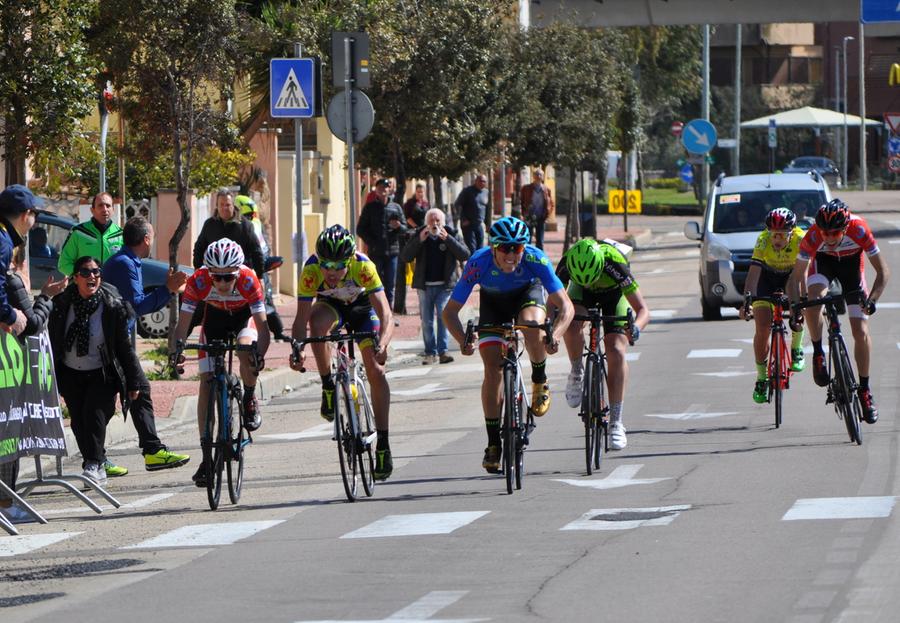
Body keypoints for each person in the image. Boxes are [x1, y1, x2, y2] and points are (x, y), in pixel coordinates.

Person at [442, 216, 573, 473]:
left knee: (532, 325)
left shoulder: (535, 259)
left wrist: (556, 335)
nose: (512, 255)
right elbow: (449, 312)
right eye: (505, 248)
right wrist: (462, 340)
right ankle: (493, 443)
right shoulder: (478, 263)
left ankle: (539, 379)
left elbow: (566, 306)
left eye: (518, 248)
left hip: (527, 295)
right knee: (492, 370)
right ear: (493, 248)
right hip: (494, 304)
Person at [289, 225, 396, 480]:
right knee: (316, 326)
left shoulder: (363, 266)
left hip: (363, 309)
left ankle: (383, 442)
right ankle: (328, 383)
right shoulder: (311, 271)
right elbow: (300, 320)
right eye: (326, 265)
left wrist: (382, 345)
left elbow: (386, 314)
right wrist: (297, 349)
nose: (331, 271)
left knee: (376, 370)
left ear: (349, 260)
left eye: (338, 266)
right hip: (331, 307)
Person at [172, 239, 269, 487]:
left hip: (243, 318)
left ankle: (249, 396)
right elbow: (182, 325)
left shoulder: (249, 280)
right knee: (206, 383)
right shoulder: (198, 281)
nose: (223, 283)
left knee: (245, 349)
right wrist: (176, 351)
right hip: (214, 319)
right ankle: (206, 456)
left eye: (228, 278)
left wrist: (259, 356)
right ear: (209, 273)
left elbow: (263, 329)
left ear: (238, 272)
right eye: (217, 277)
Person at [788, 199, 889, 424]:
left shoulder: (859, 229)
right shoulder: (813, 235)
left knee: (860, 331)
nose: (829, 238)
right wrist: (796, 307)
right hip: (823, 265)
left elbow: (883, 272)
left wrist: (872, 300)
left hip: (852, 268)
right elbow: (796, 277)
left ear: (845, 228)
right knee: (814, 300)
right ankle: (818, 353)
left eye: (834, 233)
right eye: (825, 233)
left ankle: (864, 390)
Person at [102, 216, 191, 472]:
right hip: (112, 342)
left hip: (117, 340)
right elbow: (137, 306)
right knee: (115, 398)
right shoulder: (124, 263)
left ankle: (147, 451)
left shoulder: (129, 261)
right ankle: (102, 458)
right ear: (146, 239)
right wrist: (167, 289)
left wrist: (166, 289)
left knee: (131, 392)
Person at [0, 185, 66, 523]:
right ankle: (5, 503)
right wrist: (10, 315)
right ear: (25, 215)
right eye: (35, 214)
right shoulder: (2, 240)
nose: (35, 221)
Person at [49, 256, 143, 486]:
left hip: (102, 373)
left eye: (96, 272)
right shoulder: (61, 304)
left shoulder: (111, 306)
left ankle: (92, 464)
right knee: (78, 423)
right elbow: (51, 340)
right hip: (71, 373)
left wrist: (134, 381)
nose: (92, 276)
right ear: (75, 278)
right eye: (85, 272)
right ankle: (95, 464)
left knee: (95, 415)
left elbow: (123, 347)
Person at [559, 238, 649, 451]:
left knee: (616, 349)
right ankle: (577, 371)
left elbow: (643, 310)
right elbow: (554, 303)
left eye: (592, 278)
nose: (590, 283)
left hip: (614, 295)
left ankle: (616, 421)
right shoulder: (567, 263)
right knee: (571, 325)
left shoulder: (614, 263)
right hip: (581, 295)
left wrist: (635, 328)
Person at [740, 208, 806, 404]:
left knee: (797, 310)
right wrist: (747, 301)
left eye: (782, 235)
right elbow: (753, 273)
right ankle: (761, 378)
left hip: (791, 277)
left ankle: (796, 347)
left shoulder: (800, 239)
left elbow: (804, 274)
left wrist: (803, 300)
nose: (776, 239)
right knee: (762, 328)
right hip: (766, 279)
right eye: (773, 234)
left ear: (792, 233)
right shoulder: (763, 240)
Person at [400, 208, 470, 365]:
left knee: (443, 318)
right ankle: (430, 353)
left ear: (443, 223)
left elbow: (465, 254)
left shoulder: (451, 233)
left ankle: (443, 351)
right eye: (431, 221)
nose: (435, 224)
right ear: (426, 223)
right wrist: (419, 240)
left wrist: (448, 239)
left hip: (445, 286)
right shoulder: (419, 235)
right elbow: (405, 256)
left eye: (438, 221)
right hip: (424, 286)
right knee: (427, 321)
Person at [234, 194, 288, 341]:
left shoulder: (254, 226)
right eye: (249, 214)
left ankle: (277, 332)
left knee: (266, 303)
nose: (251, 217)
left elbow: (263, 251)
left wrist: (261, 270)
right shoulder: (232, 228)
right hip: (237, 273)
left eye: (252, 214)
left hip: (256, 272)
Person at [357, 179, 408, 310]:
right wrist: (372, 243)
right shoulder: (370, 207)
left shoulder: (396, 207)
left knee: (390, 285)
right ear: (376, 190)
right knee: (374, 284)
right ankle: (374, 313)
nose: (383, 190)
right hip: (375, 253)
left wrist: (398, 226)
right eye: (380, 187)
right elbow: (360, 229)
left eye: (385, 187)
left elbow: (405, 229)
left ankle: (388, 313)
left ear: (389, 189)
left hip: (392, 253)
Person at [192, 189, 264, 277]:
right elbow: (199, 248)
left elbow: (256, 251)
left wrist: (260, 276)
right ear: (217, 206)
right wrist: (197, 269)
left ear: (233, 205)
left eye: (228, 205)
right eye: (221, 205)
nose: (224, 208)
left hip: (240, 275)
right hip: (215, 275)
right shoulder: (209, 225)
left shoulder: (246, 226)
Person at [58, 191, 124, 277]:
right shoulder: (79, 232)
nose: (105, 209)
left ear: (113, 210)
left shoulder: (121, 234)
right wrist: (83, 276)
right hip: (85, 285)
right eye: (100, 205)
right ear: (92, 210)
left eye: (108, 206)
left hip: (111, 285)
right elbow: (64, 264)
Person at [454, 174, 488, 253]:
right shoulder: (467, 191)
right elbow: (457, 204)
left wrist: (487, 224)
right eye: (480, 181)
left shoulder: (486, 192)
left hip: (479, 224)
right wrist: (463, 219)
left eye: (484, 181)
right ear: (476, 181)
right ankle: (472, 261)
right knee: (472, 249)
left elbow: (487, 208)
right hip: (468, 225)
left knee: (480, 248)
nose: (482, 183)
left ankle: (479, 261)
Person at [520, 169, 554, 250]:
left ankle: (539, 256)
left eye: (540, 174)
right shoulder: (526, 188)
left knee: (540, 241)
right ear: (533, 176)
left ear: (543, 177)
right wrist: (524, 214)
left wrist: (547, 214)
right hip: (529, 217)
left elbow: (551, 204)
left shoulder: (546, 190)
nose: (538, 176)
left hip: (541, 217)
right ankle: (526, 254)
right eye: (536, 174)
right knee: (527, 239)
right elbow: (521, 201)